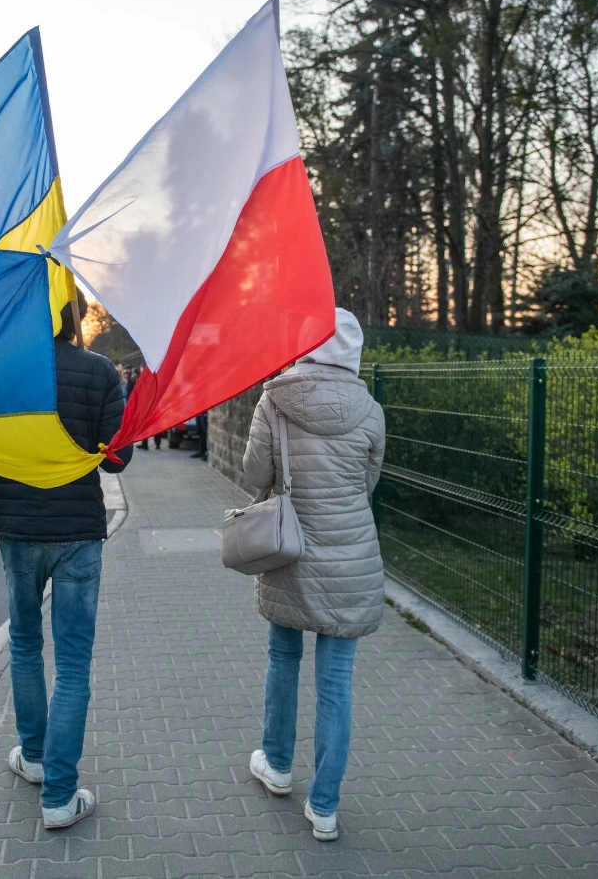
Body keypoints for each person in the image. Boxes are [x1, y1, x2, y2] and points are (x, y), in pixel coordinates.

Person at [0, 292, 133, 831]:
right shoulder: (99, 372)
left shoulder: (1, 373)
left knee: (25, 644)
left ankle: (33, 757)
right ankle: (59, 795)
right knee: (74, 662)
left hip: (19, 532)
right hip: (78, 532)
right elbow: (118, 459)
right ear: (70, 313)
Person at [240, 307, 385, 842]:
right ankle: (324, 806)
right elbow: (367, 483)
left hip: (289, 550)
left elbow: (254, 474)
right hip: (351, 557)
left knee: (283, 658)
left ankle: (277, 765)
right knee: (337, 682)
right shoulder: (371, 410)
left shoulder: (274, 399)